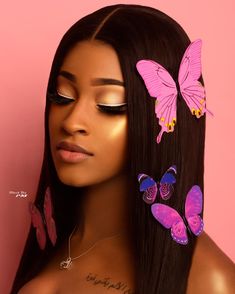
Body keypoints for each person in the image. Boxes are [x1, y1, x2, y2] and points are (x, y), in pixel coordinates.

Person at [11, 4, 235, 294]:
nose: (72, 122)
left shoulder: (209, 282)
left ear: (158, 121)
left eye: (109, 104)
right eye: (62, 96)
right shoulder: (56, 238)